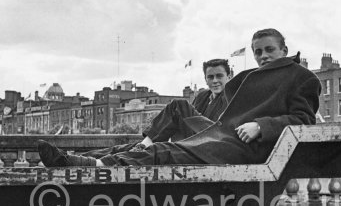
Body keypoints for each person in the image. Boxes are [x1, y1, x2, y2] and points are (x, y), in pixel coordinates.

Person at [38, 28, 321, 167]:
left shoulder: (301, 77)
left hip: (248, 146)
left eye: (269, 50)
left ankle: (95, 165)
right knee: (170, 120)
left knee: (164, 152)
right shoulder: (251, 76)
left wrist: (262, 125)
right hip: (226, 134)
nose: (262, 57)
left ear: (284, 49)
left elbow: (304, 120)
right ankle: (76, 158)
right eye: (257, 51)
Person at [72, 59, 230, 159]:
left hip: (211, 143)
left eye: (219, 76)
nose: (215, 81)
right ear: (205, 79)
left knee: (178, 105)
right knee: (126, 149)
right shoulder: (202, 96)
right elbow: (186, 124)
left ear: (229, 76)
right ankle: (79, 159)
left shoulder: (232, 97)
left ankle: (143, 145)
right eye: (210, 77)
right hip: (192, 140)